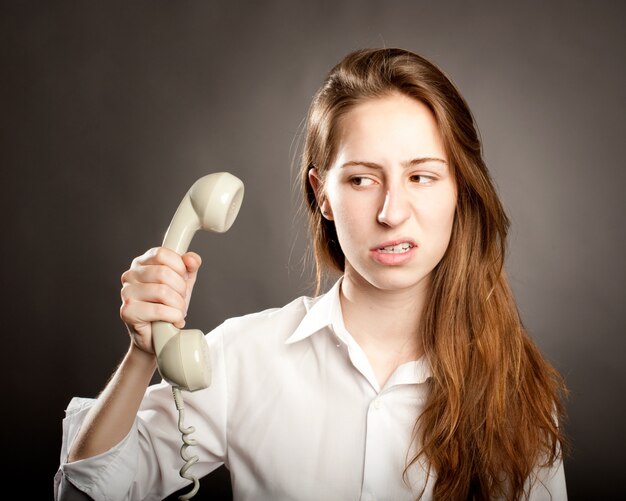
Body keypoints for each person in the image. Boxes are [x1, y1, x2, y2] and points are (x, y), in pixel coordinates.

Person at [54, 48, 568, 501]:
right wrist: (146, 352)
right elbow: (85, 493)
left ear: (460, 188)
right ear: (322, 192)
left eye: (421, 176)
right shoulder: (243, 356)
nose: (392, 211)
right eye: (363, 179)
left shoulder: (517, 387)